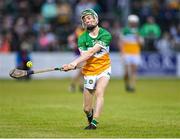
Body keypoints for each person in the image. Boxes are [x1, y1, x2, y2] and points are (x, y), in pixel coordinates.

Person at [61, 9, 112, 130]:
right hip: (89, 71)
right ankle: (90, 115)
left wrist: (73, 63)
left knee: (100, 93)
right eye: (85, 19)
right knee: (86, 108)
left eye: (90, 18)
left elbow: (91, 52)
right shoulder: (82, 38)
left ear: (96, 19)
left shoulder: (105, 34)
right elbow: (85, 58)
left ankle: (94, 122)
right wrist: (70, 67)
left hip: (104, 69)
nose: (88, 20)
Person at [118, 15, 144, 92]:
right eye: (132, 22)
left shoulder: (139, 31)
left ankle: (132, 86)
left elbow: (141, 44)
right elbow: (121, 42)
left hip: (135, 53)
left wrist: (138, 37)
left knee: (134, 71)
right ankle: (127, 84)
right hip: (126, 53)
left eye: (134, 22)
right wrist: (122, 52)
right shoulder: (125, 31)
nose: (133, 23)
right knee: (126, 72)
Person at [67, 24, 84, 92]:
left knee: (81, 71)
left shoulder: (83, 32)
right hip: (79, 54)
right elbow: (71, 39)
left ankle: (79, 86)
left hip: (82, 54)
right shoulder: (79, 32)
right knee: (81, 70)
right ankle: (73, 85)